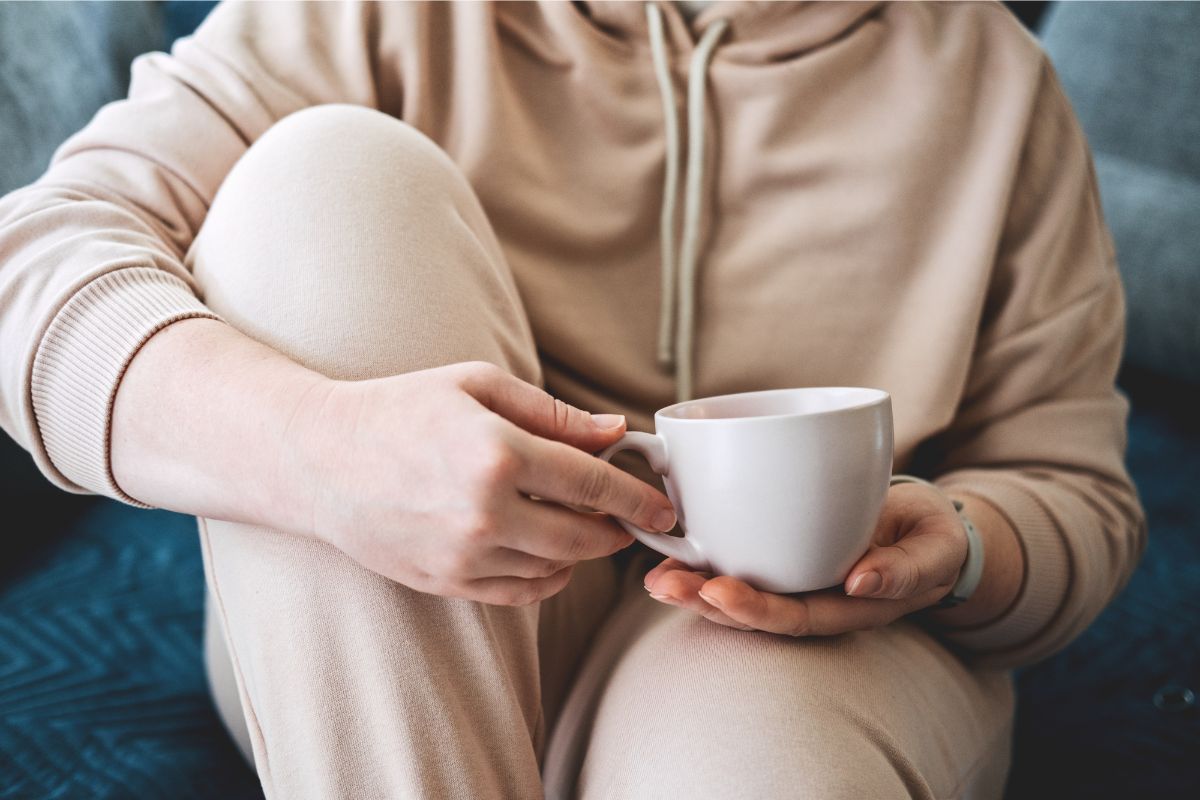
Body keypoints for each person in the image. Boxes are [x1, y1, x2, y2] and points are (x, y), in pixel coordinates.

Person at [0, 1, 1146, 797]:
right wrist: (314, 448)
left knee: (747, 762)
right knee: (318, 183)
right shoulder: (365, 11)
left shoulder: (993, 80)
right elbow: (27, 266)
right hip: (396, 634)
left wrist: (964, 542)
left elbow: (1073, 489)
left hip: (801, 642)